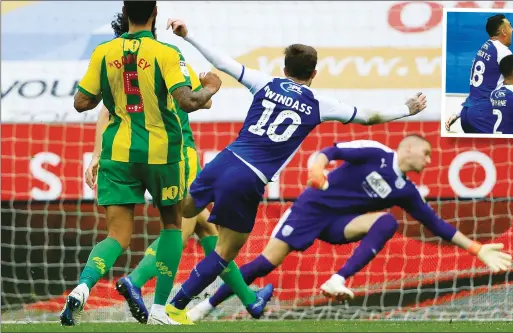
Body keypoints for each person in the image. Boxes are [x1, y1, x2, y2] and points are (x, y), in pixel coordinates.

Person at [162, 19, 428, 324]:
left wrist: (188, 35)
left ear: (284, 67)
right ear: (313, 74)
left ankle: (153, 268)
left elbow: (223, 62)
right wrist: (406, 109)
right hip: (248, 177)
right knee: (224, 251)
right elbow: (368, 117)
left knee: (183, 213)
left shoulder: (265, 82)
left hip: (223, 160)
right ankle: (175, 307)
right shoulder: (319, 103)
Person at [185, 136, 513, 321]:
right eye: (426, 153)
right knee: (265, 263)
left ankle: (338, 278)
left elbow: (436, 225)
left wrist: (477, 248)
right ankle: (204, 308)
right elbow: (330, 151)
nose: (429, 160)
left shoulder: (406, 190)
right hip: (310, 209)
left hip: (339, 225)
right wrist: (317, 167)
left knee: (386, 221)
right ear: (409, 148)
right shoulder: (376, 153)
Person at [83, 12, 267, 325]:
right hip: (176, 155)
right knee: (181, 225)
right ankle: (138, 281)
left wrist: (97, 153)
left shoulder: (115, 62)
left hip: (131, 153)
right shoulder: (167, 59)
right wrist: (209, 85)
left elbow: (102, 111)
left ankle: (251, 300)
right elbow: (199, 100)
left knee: (204, 227)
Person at [61, 1, 221, 326]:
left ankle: (83, 285)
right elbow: (189, 102)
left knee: (117, 235)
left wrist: (109, 92)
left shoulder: (104, 52)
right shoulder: (167, 53)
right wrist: (210, 87)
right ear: (154, 14)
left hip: (118, 154)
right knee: (172, 226)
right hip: (161, 154)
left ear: (124, 14)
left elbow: (81, 102)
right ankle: (160, 309)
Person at [445, 14, 513, 133]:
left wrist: (457, 113)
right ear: (504, 31)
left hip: (467, 113)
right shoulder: (503, 52)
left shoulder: (484, 48)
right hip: (484, 115)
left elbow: (479, 90)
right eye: (510, 26)